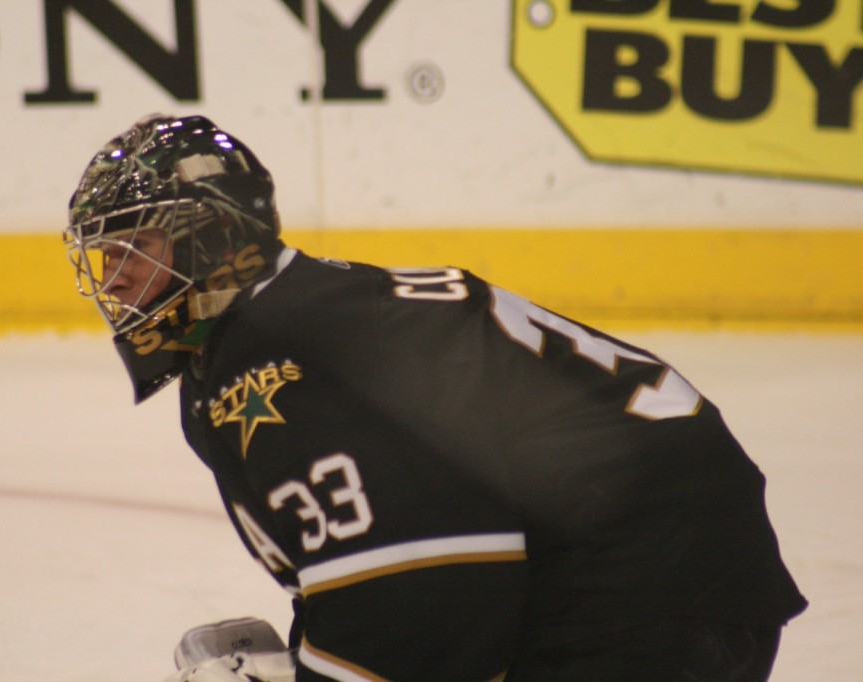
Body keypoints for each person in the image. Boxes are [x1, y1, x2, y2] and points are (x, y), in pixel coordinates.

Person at [63, 114, 807, 682]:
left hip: (638, 600)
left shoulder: (275, 354)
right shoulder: (307, 311)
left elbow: (430, 596)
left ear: (214, 236)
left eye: (137, 247)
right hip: (675, 570)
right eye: (105, 256)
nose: (116, 278)